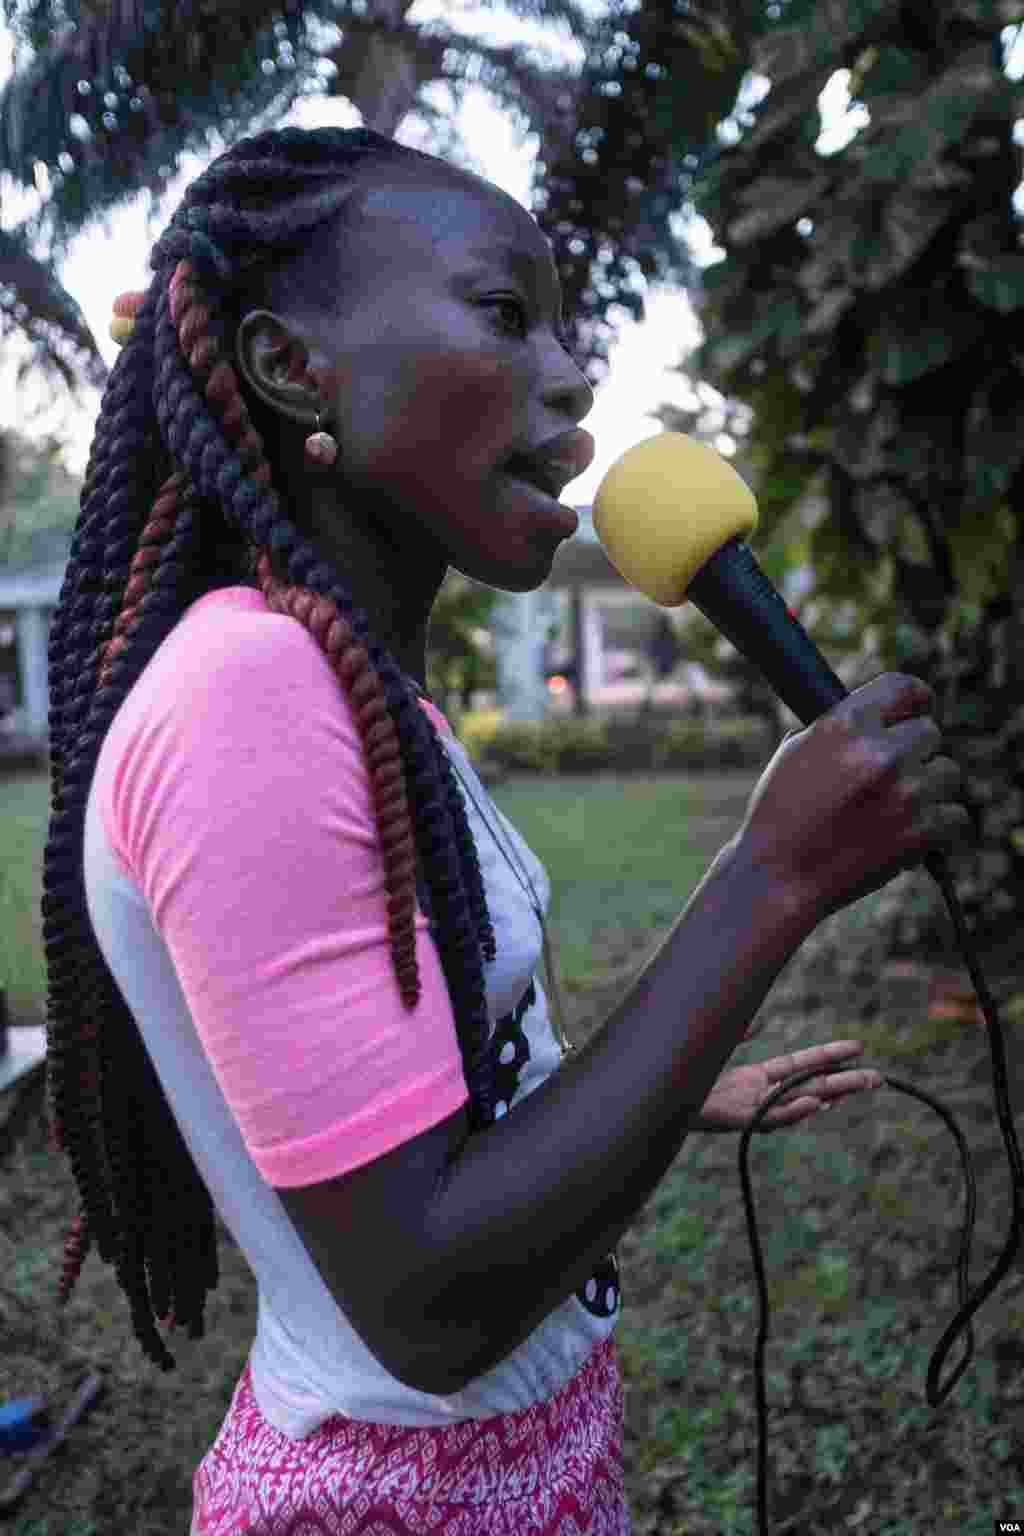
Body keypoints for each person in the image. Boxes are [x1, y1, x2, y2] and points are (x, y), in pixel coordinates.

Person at [41, 125, 974, 1535]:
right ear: (296, 367)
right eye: (504, 312)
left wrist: (659, 1088)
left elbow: (417, 1112)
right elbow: (429, 1300)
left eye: (569, 324)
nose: (575, 370)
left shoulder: (348, 678)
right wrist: (771, 878)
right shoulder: (248, 694)